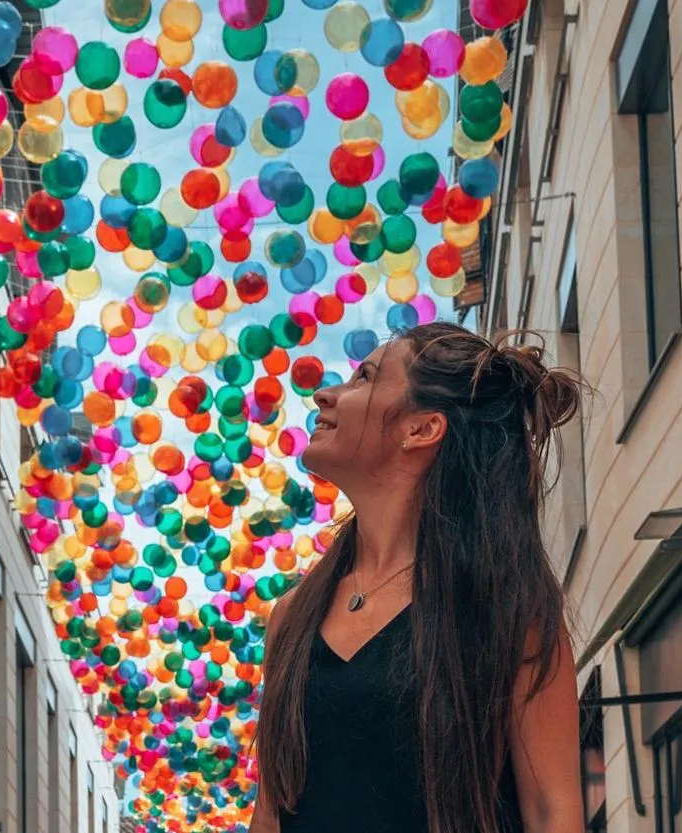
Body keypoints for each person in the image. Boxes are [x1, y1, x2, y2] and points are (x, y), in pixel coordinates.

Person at [248, 324, 585, 833]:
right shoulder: (293, 617)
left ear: (421, 429)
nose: (324, 394)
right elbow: (271, 814)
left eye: (365, 376)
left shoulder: (510, 607)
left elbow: (552, 814)